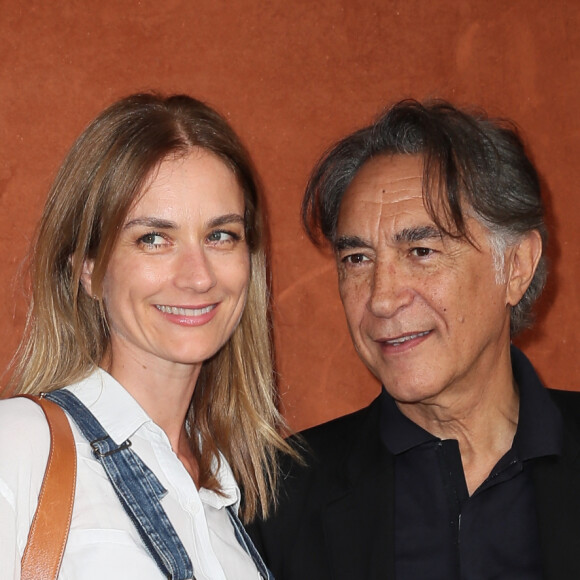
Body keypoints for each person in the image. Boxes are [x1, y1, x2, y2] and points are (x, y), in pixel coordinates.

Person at [247, 100, 580, 579]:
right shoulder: (275, 501)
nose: (381, 300)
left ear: (517, 267)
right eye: (357, 259)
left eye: (421, 251)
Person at [0, 93, 292, 580]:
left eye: (221, 235)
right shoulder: (19, 447)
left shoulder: (226, 496)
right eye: (153, 239)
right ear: (88, 270)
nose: (198, 277)